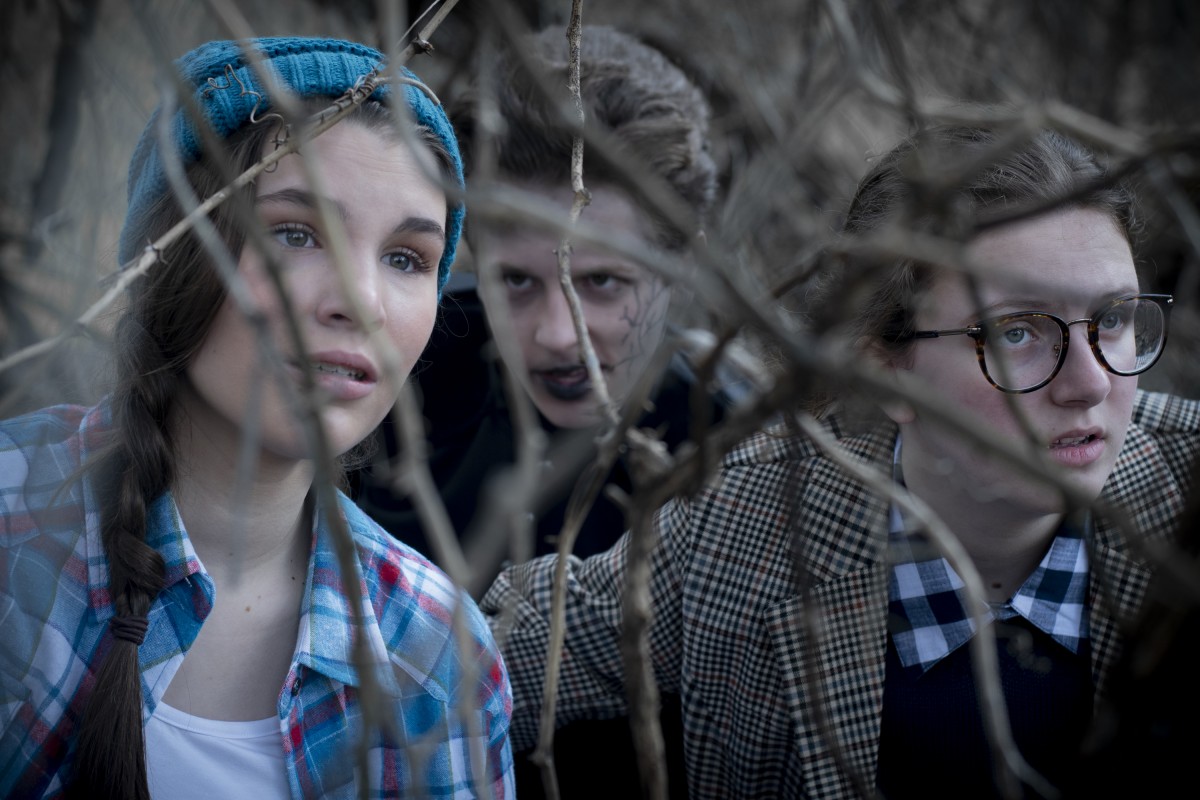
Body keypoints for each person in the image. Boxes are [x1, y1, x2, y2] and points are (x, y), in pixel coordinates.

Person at [480, 125, 1200, 798]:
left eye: (1112, 319)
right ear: (885, 366)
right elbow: (479, 659)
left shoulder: (1187, 499)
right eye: (1018, 332)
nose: (1092, 383)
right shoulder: (748, 527)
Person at [0, 37, 513, 799]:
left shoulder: (437, 655)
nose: (361, 304)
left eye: (406, 258)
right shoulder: (12, 518)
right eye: (296, 233)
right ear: (168, 255)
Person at [355, 25, 719, 799]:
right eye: (517, 281)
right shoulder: (387, 384)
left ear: (679, 263)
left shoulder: (737, 455)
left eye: (603, 283)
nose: (559, 335)